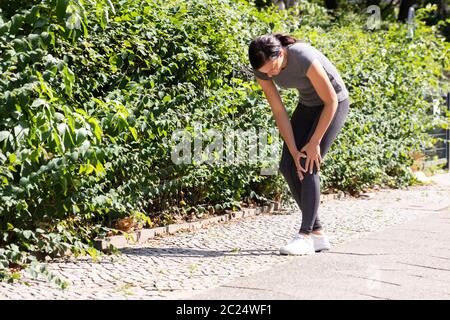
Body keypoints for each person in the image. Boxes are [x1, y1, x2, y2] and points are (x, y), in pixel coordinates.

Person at [248, 32, 351, 255]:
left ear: (281, 52)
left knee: (308, 163)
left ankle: (305, 236)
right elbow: (278, 110)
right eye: (266, 72)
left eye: (273, 67)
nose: (271, 74)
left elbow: (331, 100)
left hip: (334, 104)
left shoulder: (303, 56)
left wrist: (314, 143)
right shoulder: (262, 69)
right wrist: (293, 149)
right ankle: (318, 234)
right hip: (307, 105)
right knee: (288, 164)